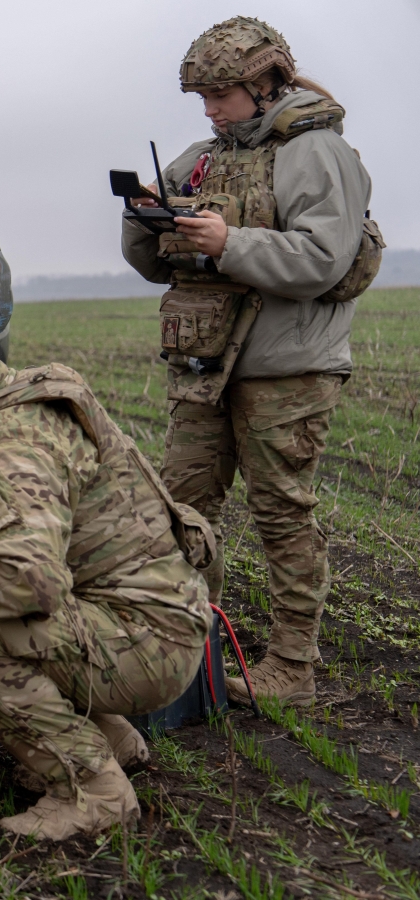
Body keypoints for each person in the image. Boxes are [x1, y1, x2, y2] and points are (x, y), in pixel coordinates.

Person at [0, 287, 215, 841]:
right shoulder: (4, 404)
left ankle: (93, 787)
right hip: (148, 618)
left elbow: (25, 581)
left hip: (150, 644)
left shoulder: (3, 448)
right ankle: (113, 741)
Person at [121, 17, 379, 707]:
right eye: (202, 98)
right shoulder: (202, 156)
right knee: (181, 509)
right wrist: (145, 217)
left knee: (281, 514)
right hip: (206, 367)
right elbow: (153, 266)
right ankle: (181, 650)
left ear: (267, 83)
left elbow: (324, 259)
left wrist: (228, 241)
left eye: (222, 95)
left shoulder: (318, 154)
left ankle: (292, 668)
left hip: (287, 369)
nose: (210, 111)